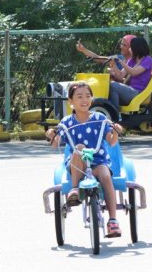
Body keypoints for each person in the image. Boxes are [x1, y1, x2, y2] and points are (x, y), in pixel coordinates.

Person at [45, 82, 124, 238]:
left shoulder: (100, 118)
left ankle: (113, 220)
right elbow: (55, 144)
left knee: (106, 175)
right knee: (79, 147)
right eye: (79, 97)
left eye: (88, 96)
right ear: (71, 101)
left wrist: (116, 131)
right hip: (77, 166)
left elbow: (111, 141)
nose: (84, 100)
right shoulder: (67, 122)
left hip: (97, 162)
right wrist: (51, 134)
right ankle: (75, 189)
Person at [107, 37, 152, 110]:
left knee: (113, 85)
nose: (129, 49)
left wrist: (122, 63)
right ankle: (112, 109)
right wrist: (113, 65)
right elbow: (120, 75)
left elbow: (134, 72)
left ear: (137, 48)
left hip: (138, 93)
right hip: (131, 89)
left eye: (131, 47)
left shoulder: (147, 59)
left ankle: (115, 111)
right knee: (109, 84)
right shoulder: (132, 60)